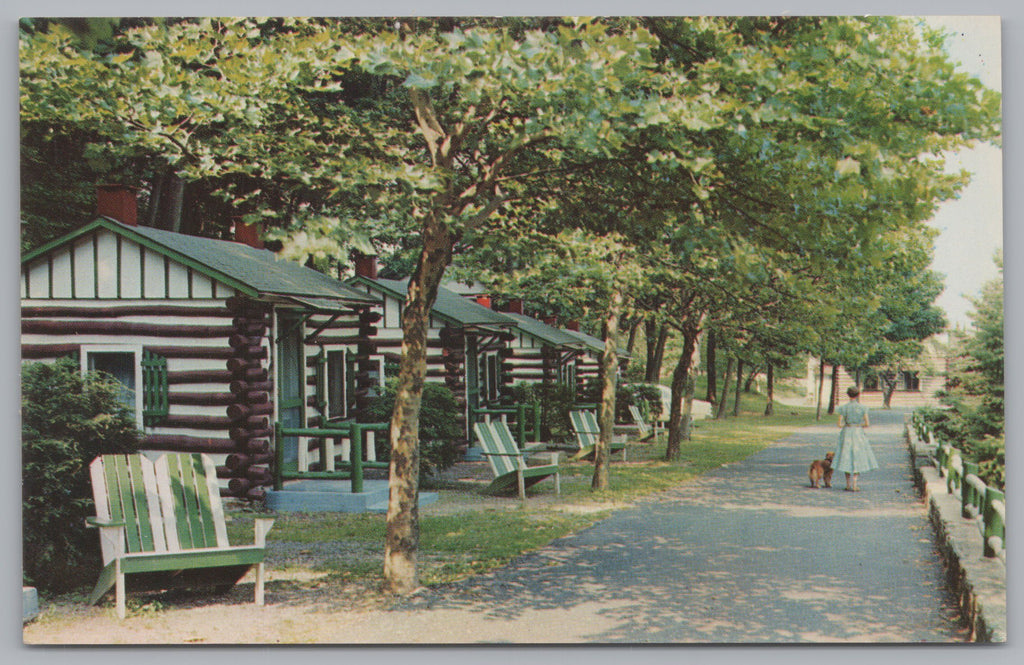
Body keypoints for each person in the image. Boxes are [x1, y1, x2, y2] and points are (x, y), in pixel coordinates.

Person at [833, 386, 878, 491]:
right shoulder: (863, 408)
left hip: (847, 432)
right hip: (858, 432)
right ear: (858, 395)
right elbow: (867, 423)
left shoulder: (843, 408)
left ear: (848, 395)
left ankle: (847, 484)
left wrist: (847, 424)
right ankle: (855, 484)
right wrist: (858, 425)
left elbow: (839, 424)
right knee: (857, 456)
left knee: (846, 456)